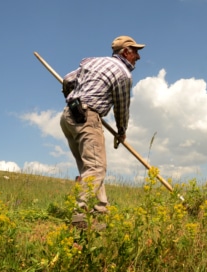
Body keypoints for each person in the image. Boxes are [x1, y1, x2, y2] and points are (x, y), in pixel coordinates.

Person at [60, 35, 144, 225]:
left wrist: (74, 97)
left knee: (89, 166)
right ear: (125, 52)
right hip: (88, 118)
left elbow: (67, 79)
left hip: (68, 116)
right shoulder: (123, 74)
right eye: (135, 52)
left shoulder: (94, 61)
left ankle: (100, 210)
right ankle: (79, 214)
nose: (138, 56)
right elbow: (122, 107)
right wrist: (121, 131)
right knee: (97, 167)